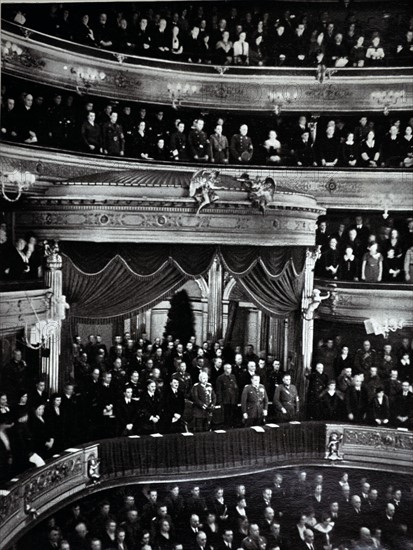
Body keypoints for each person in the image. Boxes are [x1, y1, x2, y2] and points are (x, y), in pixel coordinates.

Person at [215, 364, 239, 428]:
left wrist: (236, 398)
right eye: (228, 368)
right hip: (225, 400)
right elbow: (218, 390)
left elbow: (236, 389)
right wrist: (220, 400)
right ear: (224, 369)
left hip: (233, 400)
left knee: (233, 415)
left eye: (230, 368)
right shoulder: (220, 378)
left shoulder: (233, 377)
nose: (229, 369)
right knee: (226, 416)